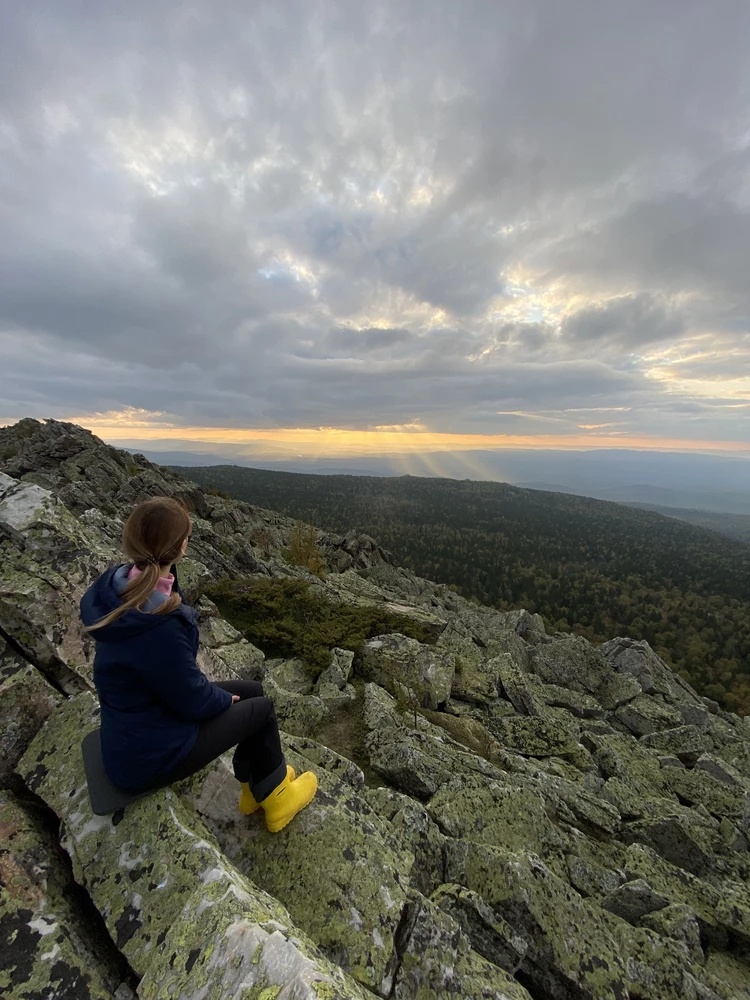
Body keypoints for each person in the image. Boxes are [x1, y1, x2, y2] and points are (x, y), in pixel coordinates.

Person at [79, 495, 317, 832]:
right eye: (185, 537)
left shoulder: (121, 586)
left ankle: (255, 787)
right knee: (261, 710)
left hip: (144, 723)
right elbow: (191, 697)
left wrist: (221, 700)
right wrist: (221, 701)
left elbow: (171, 683)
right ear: (178, 548)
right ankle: (278, 801)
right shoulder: (158, 624)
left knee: (252, 690)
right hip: (150, 757)